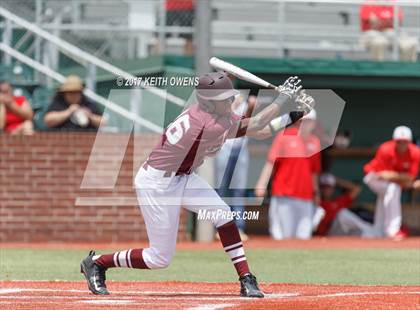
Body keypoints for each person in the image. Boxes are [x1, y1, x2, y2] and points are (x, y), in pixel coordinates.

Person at [80, 72, 312, 298]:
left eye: (230, 96)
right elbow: (258, 122)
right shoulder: (203, 124)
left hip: (183, 176)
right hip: (157, 184)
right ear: (208, 103)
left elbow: (259, 131)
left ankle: (246, 278)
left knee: (223, 215)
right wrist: (283, 97)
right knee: (159, 259)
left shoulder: (218, 116)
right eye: (225, 99)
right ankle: (97, 262)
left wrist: (296, 113)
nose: (231, 101)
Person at [255, 109, 321, 240]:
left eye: (309, 121)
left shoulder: (315, 142)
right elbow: (270, 163)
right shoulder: (284, 136)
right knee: (282, 237)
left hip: (306, 197)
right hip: (284, 196)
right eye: (303, 121)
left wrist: (316, 193)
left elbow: (314, 171)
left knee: (304, 238)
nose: (305, 124)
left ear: (314, 124)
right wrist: (261, 184)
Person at [364, 126, 419, 239]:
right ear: (394, 141)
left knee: (386, 195)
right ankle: (393, 229)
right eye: (399, 142)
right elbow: (384, 176)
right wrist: (408, 181)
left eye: (405, 142)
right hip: (373, 176)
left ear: (409, 142)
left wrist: (405, 180)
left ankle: (378, 230)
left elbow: (410, 177)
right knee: (393, 189)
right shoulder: (385, 149)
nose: (402, 145)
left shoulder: (415, 152)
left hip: (391, 182)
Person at [215, 95, 256, 241]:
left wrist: (250, 106)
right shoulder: (221, 104)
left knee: (238, 190)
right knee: (222, 189)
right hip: (224, 148)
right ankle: (222, 229)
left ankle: (238, 228)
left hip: (241, 149)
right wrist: (234, 105)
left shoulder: (243, 100)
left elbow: (248, 121)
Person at [317, 173, 375, 237]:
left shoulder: (338, 201)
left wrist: (336, 180)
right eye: (324, 187)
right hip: (326, 233)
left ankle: (372, 234)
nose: (326, 190)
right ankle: (372, 231)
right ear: (319, 188)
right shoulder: (316, 203)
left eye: (329, 187)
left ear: (333, 188)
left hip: (340, 232)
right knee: (342, 214)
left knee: (361, 232)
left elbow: (356, 189)